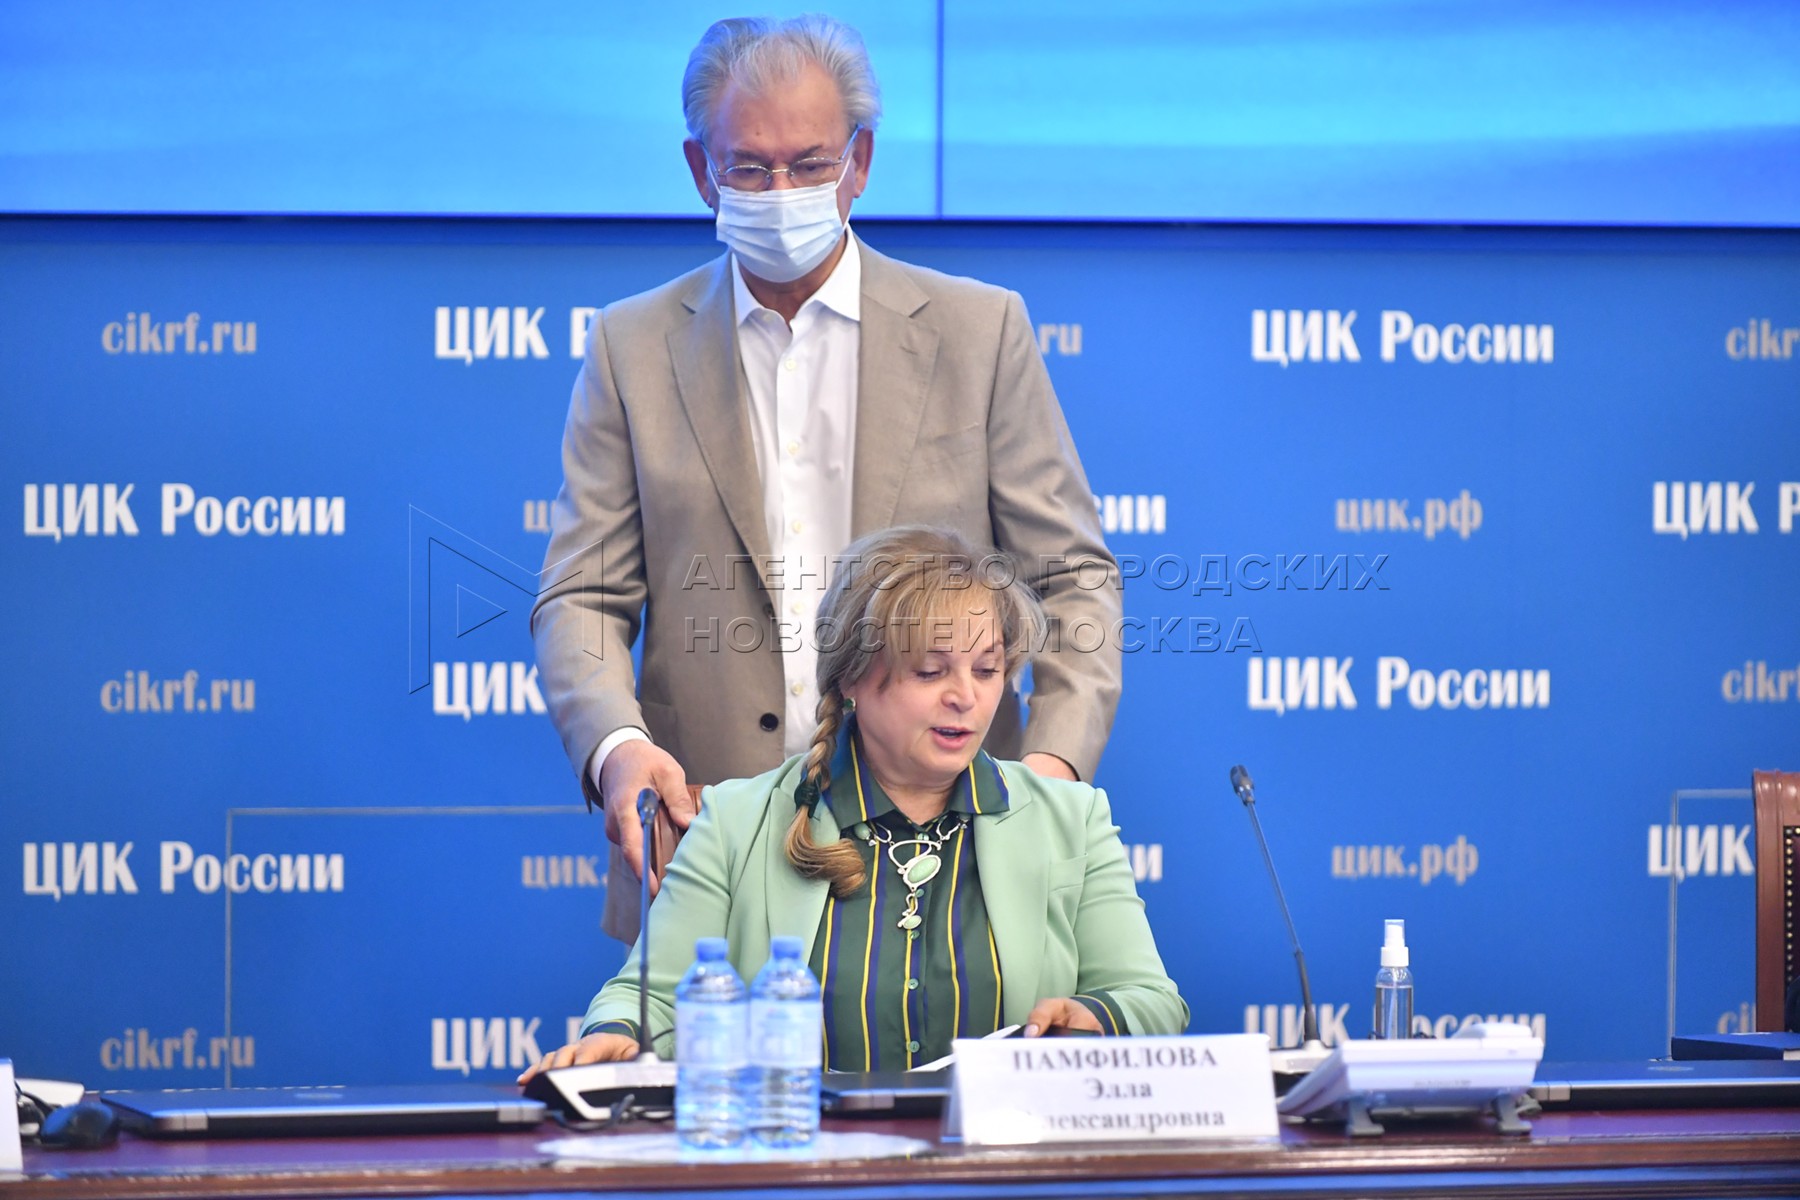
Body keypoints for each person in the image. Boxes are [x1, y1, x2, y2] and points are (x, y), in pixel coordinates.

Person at [530, 14, 1124, 943]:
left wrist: (1049, 774)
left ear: (860, 163)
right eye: (750, 168)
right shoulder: (629, 348)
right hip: (710, 851)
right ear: (701, 171)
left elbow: (1074, 580)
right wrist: (618, 748)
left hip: (961, 856)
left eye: (809, 165)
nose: (781, 193)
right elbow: (581, 595)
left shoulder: (980, 334)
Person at [521, 528, 1184, 1079]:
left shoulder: (1071, 818)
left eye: (987, 670)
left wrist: (1095, 1017)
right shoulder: (736, 821)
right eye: (931, 671)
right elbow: (652, 1001)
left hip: (1001, 1164)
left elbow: (1151, 1000)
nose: (966, 696)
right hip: (801, 1166)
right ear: (852, 679)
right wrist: (615, 1038)